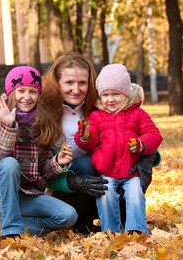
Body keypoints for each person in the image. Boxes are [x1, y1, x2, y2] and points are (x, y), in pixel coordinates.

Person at [0, 66, 78, 240]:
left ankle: (15, 223)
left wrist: (57, 162)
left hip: (26, 193)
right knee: (9, 164)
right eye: (21, 91)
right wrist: (8, 126)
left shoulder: (42, 122)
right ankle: (11, 233)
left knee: (68, 216)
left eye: (33, 92)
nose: (27, 97)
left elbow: (42, 173)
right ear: (12, 91)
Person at [74, 63, 163, 235]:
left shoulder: (139, 114)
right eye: (106, 95)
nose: (111, 99)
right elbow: (90, 141)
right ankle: (111, 231)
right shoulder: (96, 116)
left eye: (116, 94)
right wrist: (84, 136)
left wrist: (142, 143)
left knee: (136, 195)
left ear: (127, 94)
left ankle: (136, 229)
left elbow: (154, 134)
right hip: (107, 171)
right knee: (105, 195)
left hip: (132, 172)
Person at [35, 52, 108, 235]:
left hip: (100, 183)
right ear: (57, 83)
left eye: (82, 83)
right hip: (61, 187)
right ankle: (81, 226)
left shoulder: (100, 107)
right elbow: (39, 170)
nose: (76, 89)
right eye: (69, 83)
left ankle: (112, 220)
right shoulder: (44, 113)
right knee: (84, 164)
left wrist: (148, 155)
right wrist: (71, 181)